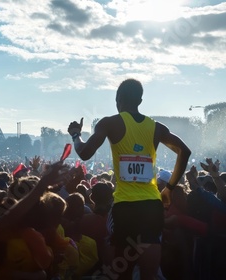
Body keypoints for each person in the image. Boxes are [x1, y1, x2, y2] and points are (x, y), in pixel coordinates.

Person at [67, 78, 191, 279]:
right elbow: (184, 151)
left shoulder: (109, 123)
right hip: (151, 205)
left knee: (123, 273)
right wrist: (169, 188)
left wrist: (75, 135)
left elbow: (84, 153)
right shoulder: (156, 127)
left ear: (118, 99)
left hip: (125, 207)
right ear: (140, 100)